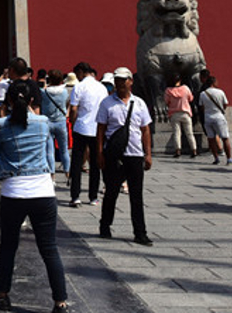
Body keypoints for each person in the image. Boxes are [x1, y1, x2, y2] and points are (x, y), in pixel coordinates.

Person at [0, 80, 68, 312]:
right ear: (32, 100)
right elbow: (59, 136)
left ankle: (2, 294)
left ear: (9, 101)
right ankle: (60, 301)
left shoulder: (1, 125)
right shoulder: (44, 123)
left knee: (8, 246)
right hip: (43, 191)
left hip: (14, 192)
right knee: (49, 249)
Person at [96, 67, 154, 246]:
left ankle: (140, 233)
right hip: (114, 154)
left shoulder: (139, 103)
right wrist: (99, 153)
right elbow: (101, 130)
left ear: (130, 81)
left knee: (136, 196)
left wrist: (148, 154)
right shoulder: (107, 103)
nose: (120, 83)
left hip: (135, 154)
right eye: (117, 80)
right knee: (111, 193)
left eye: (123, 80)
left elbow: (145, 130)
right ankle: (105, 226)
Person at [67, 62, 104, 207]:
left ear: (81, 72)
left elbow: (74, 108)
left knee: (76, 163)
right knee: (95, 164)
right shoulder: (101, 87)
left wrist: (73, 122)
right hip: (97, 128)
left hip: (81, 127)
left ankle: (75, 196)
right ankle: (93, 196)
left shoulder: (79, 86)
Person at [40, 69, 71, 178]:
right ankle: (67, 173)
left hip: (47, 122)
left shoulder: (44, 92)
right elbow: (67, 104)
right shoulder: (64, 92)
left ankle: (52, 175)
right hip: (61, 122)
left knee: (49, 150)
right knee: (64, 150)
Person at [198, 77, 232, 165]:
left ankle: (216, 158)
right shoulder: (220, 92)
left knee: (211, 138)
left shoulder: (203, 94)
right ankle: (229, 158)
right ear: (214, 82)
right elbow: (225, 104)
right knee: (225, 138)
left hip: (208, 117)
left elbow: (201, 107)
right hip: (219, 116)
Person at [164, 76, 196, 158]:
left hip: (174, 113)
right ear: (180, 80)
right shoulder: (185, 88)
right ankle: (194, 150)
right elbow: (190, 98)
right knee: (189, 133)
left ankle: (178, 150)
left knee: (177, 133)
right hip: (186, 112)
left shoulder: (168, 90)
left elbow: (167, 102)